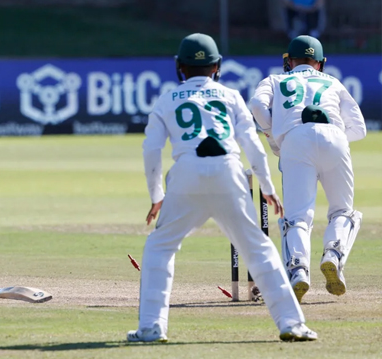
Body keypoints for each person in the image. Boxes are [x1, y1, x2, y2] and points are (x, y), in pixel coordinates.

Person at [127, 33, 317, 343]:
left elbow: (151, 149)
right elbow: (252, 145)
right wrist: (267, 187)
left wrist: (156, 196)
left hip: (186, 174)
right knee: (258, 250)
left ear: (179, 67)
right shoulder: (230, 96)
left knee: (159, 247)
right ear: (217, 66)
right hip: (229, 173)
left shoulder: (166, 99)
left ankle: (151, 327)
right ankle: (292, 324)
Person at [248, 35, 366, 303]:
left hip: (293, 141)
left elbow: (256, 105)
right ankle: (333, 255)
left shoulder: (275, 80)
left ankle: (299, 270)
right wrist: (332, 139)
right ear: (320, 64)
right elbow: (359, 129)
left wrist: (272, 135)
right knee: (343, 211)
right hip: (335, 137)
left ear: (289, 62)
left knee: (298, 216)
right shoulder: (333, 82)